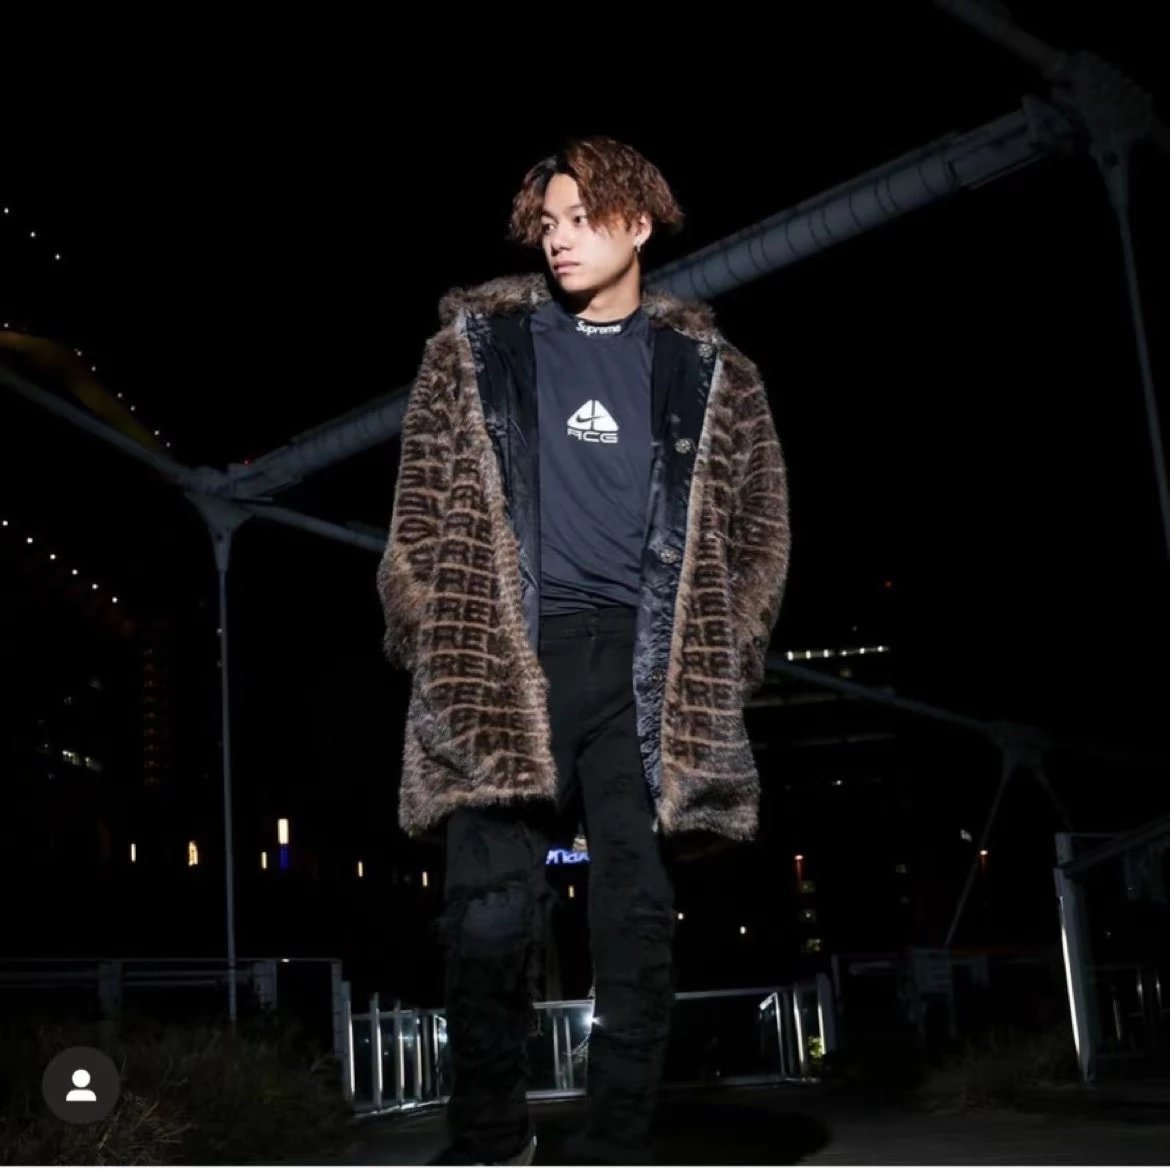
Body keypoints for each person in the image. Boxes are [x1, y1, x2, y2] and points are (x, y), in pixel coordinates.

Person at [377, 135, 791, 1165]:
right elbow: (418, 508)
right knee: (486, 916)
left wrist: (727, 659)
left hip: (649, 675)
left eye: (582, 219)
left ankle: (618, 1141)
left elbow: (758, 532)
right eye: (549, 223)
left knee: (637, 918)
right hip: (507, 663)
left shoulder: (714, 375)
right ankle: (489, 1136)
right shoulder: (476, 351)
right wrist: (433, 638)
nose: (559, 240)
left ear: (637, 226)